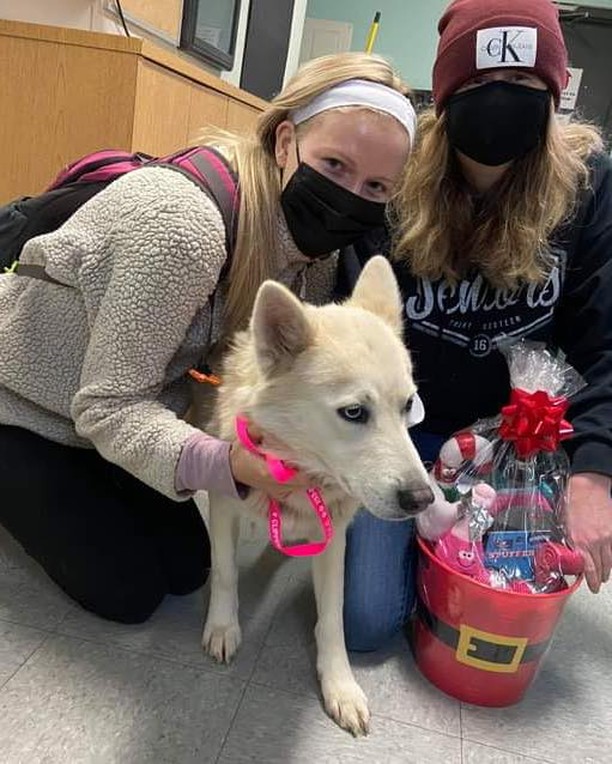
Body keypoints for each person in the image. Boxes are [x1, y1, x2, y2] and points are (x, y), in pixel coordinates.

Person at [0, 52, 416, 624]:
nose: (351, 196)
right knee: (130, 593)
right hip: (27, 409)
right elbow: (107, 406)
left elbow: (259, 373)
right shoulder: (182, 229)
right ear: (286, 140)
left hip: (112, 418)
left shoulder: (312, 252)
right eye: (335, 165)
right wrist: (233, 464)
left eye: (376, 186)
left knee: (187, 568)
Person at [341, 0, 612, 652]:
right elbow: (353, 326)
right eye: (480, 83)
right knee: (368, 623)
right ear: (445, 92)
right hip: (407, 429)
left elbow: (604, 339)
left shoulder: (588, 186)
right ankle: (423, 536)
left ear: (553, 94)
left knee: (512, 584)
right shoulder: (398, 174)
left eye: (523, 83)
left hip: (514, 441)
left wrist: (594, 473)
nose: (502, 100)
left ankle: (446, 537)